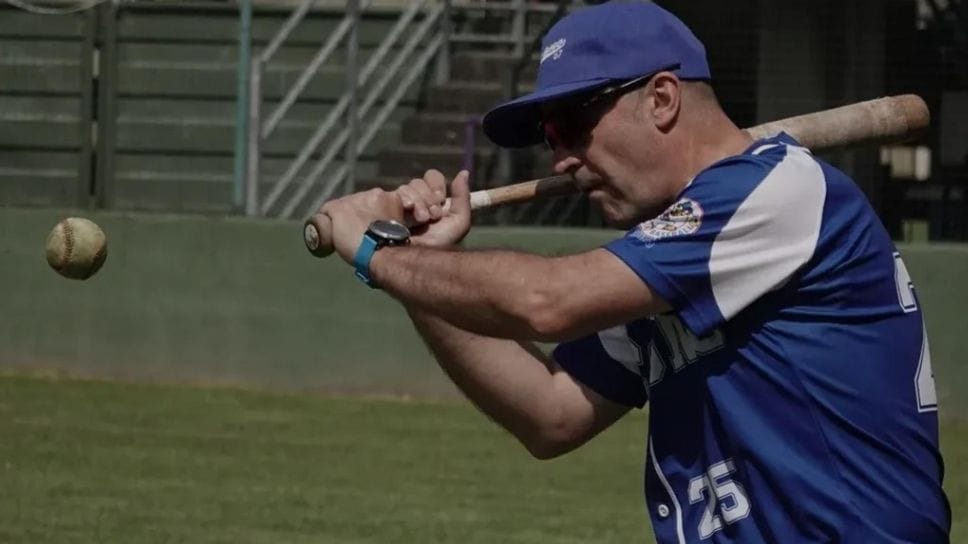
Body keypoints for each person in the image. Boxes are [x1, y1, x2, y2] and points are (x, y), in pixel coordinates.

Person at [319, 2, 951, 542]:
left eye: (573, 125)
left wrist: (381, 255)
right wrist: (426, 264)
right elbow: (551, 413)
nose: (562, 159)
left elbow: (548, 302)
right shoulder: (671, 259)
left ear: (662, 98)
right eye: (550, 136)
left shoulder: (773, 193)